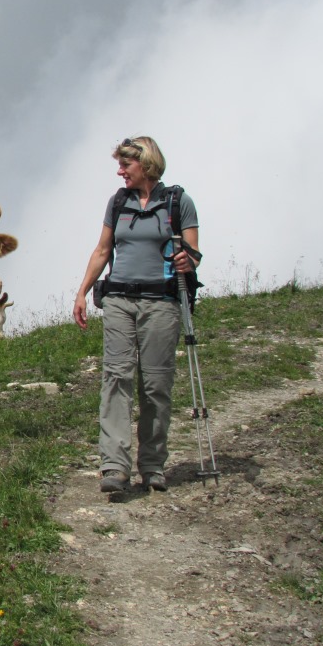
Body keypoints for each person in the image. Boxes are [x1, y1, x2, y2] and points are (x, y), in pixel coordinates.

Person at [72, 136, 201, 493]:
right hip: (118, 301)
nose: (120, 172)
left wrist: (186, 260)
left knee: (156, 383)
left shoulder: (178, 202)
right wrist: (82, 292)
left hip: (161, 303)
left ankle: (153, 464)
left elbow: (193, 253)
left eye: (125, 165)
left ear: (145, 164)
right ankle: (114, 466)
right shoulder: (118, 202)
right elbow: (103, 250)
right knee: (116, 377)